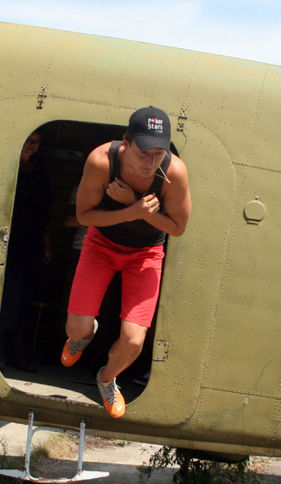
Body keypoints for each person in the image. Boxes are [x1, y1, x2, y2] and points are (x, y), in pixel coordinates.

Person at [61, 106, 191, 418]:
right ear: (126, 143)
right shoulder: (102, 161)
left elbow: (177, 228)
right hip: (101, 245)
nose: (151, 162)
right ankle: (85, 335)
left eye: (159, 153)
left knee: (133, 341)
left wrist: (134, 204)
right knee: (75, 329)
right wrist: (133, 212)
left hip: (146, 254)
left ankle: (106, 380)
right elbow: (83, 216)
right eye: (144, 152)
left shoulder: (174, 173)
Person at [0, 129, 53, 372]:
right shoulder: (7, 167)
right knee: (8, 294)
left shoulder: (40, 172)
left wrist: (47, 242)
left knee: (23, 297)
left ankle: (15, 351)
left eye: (37, 142)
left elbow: (44, 212)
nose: (32, 146)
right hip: (8, 237)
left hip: (30, 240)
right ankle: (2, 350)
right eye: (29, 140)